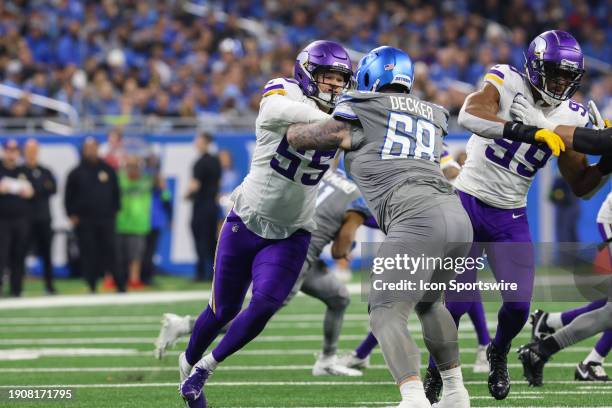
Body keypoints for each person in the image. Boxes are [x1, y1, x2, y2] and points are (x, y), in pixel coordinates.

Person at [285, 45, 481, 408]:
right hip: (456, 218)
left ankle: (413, 397)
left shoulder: (363, 107)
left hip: (415, 217)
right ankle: (455, 393)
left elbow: (301, 138)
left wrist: (286, 111)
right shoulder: (433, 113)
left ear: (371, 77)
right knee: (430, 304)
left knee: (385, 311)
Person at [426, 30, 608, 402]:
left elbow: (582, 185)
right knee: (457, 302)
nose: (559, 83)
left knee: (518, 306)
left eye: (565, 76)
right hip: (467, 201)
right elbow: (471, 113)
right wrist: (527, 130)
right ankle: (435, 368)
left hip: (510, 213)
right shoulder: (506, 79)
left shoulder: (571, 112)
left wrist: (606, 163)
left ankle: (499, 352)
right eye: (553, 73)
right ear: (534, 67)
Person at [179, 40, 353, 408]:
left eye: (341, 80)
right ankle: (187, 361)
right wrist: (341, 122)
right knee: (222, 310)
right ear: (307, 74)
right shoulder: (285, 92)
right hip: (247, 218)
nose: (335, 86)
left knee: (265, 304)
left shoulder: (346, 113)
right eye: (327, 78)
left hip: (294, 230)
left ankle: (205, 369)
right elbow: (275, 109)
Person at [156, 169, 374, 377]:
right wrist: (349, 246)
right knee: (255, 316)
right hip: (295, 255)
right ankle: (186, 325)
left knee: (339, 297)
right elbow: (338, 251)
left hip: (290, 243)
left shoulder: (325, 173)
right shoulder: (357, 199)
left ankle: (327, 360)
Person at [65, 137, 121, 292]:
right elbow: (68, 196)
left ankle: (120, 284)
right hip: (84, 220)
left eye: (93, 147)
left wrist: (115, 210)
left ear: (98, 148)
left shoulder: (108, 170)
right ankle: (91, 285)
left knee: (111, 251)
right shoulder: (76, 172)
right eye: (87, 147)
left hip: (106, 218)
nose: (91, 150)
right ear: (83, 150)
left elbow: (116, 192)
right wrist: (71, 214)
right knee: (88, 252)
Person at [23, 138, 57, 294]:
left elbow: (53, 188)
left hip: (43, 218)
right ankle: (17, 286)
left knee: (47, 254)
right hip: (24, 220)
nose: (31, 154)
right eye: (29, 151)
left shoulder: (45, 170)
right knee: (18, 253)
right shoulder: (20, 171)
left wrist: (34, 191)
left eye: (34, 151)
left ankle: (49, 285)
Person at [186, 132, 221, 282]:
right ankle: (215, 273)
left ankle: (201, 273)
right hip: (212, 204)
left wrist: (186, 195)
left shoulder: (200, 162)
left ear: (205, 142)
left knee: (199, 238)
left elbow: (195, 185)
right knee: (212, 240)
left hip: (201, 205)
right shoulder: (216, 161)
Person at [0, 139, 33, 297]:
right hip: (2, 220)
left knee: (19, 255)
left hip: (21, 219)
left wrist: (28, 190)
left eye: (14, 150)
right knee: (2, 254)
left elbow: (32, 191)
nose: (11, 153)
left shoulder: (23, 170)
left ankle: (16, 289)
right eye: (9, 150)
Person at [115, 154, 154, 289]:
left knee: (136, 256)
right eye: (129, 165)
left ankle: (134, 279)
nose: (132, 168)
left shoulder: (147, 180)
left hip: (139, 224)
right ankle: (113, 279)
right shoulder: (119, 179)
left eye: (135, 166)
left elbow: (164, 189)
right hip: (120, 222)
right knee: (116, 255)